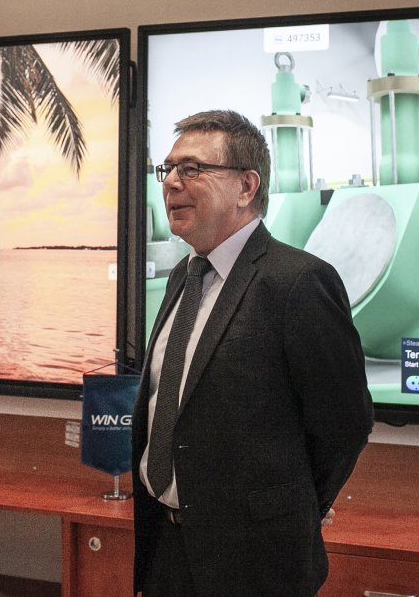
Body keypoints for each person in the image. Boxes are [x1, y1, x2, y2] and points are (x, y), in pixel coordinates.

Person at [132, 110, 374, 596]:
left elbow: (344, 425)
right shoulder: (183, 277)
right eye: (169, 169)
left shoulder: (298, 282)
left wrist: (286, 508)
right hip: (167, 550)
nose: (172, 183)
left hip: (257, 564)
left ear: (246, 186)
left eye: (192, 169)